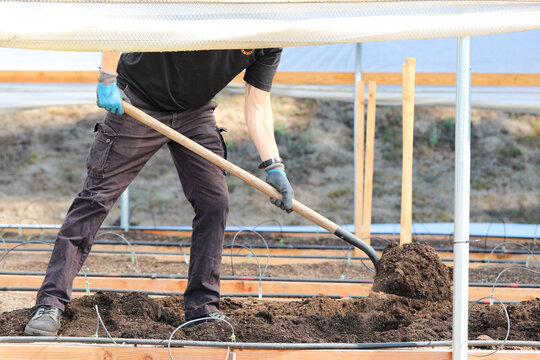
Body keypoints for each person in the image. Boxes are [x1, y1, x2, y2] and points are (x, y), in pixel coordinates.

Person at [24, 49, 294, 336]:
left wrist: (274, 165)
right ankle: (50, 302)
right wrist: (107, 78)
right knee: (96, 199)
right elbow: (125, 16)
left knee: (214, 201)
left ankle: (202, 308)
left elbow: (258, 103)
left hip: (195, 111)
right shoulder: (223, 9)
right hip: (140, 98)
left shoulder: (271, 43)